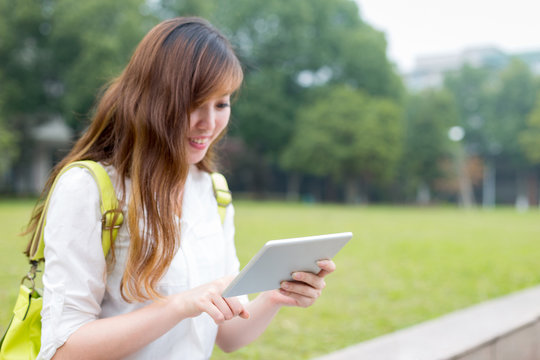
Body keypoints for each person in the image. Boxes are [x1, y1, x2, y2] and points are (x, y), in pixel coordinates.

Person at [27, 17, 336, 360]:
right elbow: (64, 350)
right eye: (193, 104)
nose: (209, 123)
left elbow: (229, 335)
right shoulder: (88, 188)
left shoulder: (214, 191)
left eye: (222, 103)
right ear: (152, 99)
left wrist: (276, 295)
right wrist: (180, 306)